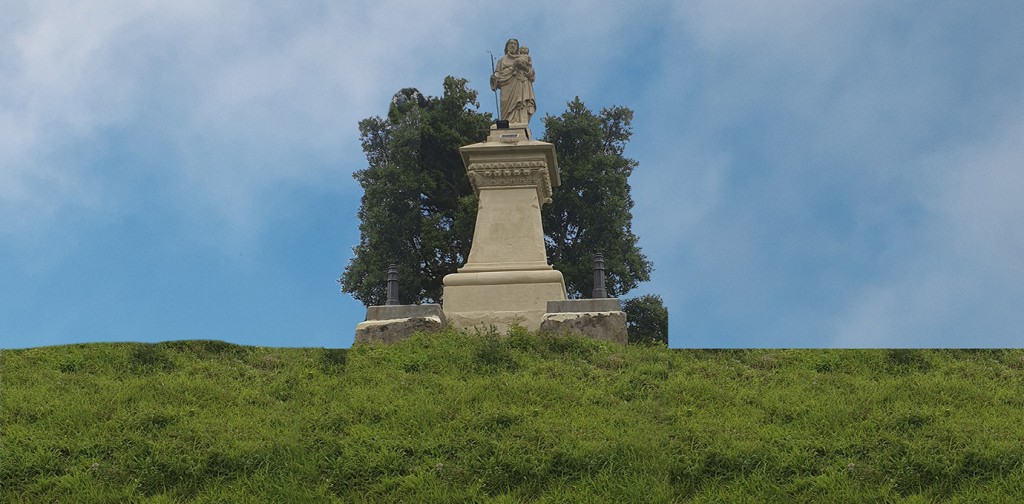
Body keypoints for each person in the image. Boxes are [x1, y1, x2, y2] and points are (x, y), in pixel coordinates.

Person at [490, 38, 536, 126]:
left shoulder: (523, 58)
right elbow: (497, 74)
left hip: (521, 86)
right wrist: (494, 78)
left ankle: (520, 122)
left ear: (518, 47)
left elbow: (532, 75)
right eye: (510, 43)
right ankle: (507, 123)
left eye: (515, 44)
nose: (512, 45)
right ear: (507, 47)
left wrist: (524, 68)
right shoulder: (502, 60)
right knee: (506, 112)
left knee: (520, 104)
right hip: (507, 88)